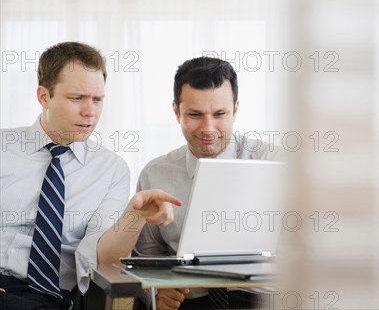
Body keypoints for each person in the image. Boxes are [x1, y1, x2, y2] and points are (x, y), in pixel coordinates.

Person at [0, 42, 182, 310]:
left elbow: (101, 259)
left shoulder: (111, 170)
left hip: (51, 298)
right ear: (44, 97)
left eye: (97, 100)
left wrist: (135, 215)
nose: (90, 112)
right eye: (77, 98)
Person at [134, 57, 282, 310]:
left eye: (220, 114)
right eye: (195, 114)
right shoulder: (155, 174)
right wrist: (157, 294)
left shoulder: (275, 163)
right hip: (190, 299)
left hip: (260, 299)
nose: (208, 128)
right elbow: (148, 255)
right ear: (176, 111)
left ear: (235, 108)